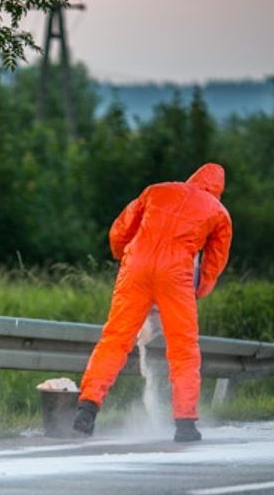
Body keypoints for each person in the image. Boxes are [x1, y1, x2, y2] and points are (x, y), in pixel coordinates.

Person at [74, 163, 232, 443]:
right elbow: (214, 261)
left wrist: (123, 254)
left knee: (115, 339)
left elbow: (120, 228)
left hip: (135, 268)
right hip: (175, 275)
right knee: (183, 348)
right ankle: (185, 424)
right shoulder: (218, 212)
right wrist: (200, 289)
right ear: (218, 189)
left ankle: (87, 408)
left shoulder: (157, 190)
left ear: (192, 177)